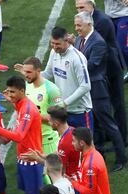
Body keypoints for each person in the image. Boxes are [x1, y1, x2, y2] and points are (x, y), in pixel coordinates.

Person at [73, 11, 126, 172]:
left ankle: (121, 158)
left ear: (89, 24)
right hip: (87, 90)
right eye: (76, 25)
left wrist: (72, 66)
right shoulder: (79, 40)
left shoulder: (98, 42)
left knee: (109, 124)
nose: (76, 29)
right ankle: (100, 154)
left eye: (79, 25)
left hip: (98, 89)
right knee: (96, 125)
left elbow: (92, 65)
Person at [41, 26, 93, 129]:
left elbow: (85, 86)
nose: (55, 47)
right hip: (63, 111)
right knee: (65, 144)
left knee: (85, 144)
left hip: (79, 112)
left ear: (66, 41)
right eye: (52, 43)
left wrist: (64, 103)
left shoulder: (77, 59)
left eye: (58, 44)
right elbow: (48, 73)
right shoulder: (54, 52)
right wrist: (32, 74)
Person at [14, 56, 62, 156]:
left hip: (47, 141)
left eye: (29, 72)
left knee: (49, 171)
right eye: (25, 72)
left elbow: (58, 118)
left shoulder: (51, 89)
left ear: (38, 71)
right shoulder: (26, 86)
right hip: (30, 140)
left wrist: (33, 116)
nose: (26, 75)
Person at [104, 0, 128, 79]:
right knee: (111, 46)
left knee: (122, 46)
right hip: (109, 16)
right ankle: (117, 71)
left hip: (124, 15)